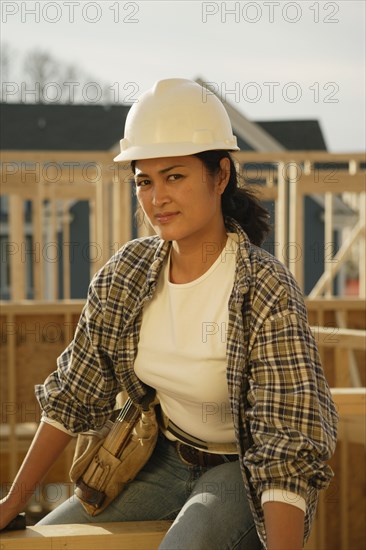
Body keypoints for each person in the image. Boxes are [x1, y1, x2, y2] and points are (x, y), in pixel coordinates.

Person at [0, 78, 338, 549]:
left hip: (239, 471)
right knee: (44, 542)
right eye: (144, 180)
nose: (157, 198)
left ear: (220, 176)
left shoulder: (264, 288)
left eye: (174, 176)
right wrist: (13, 500)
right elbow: (73, 393)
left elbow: (286, 446)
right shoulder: (128, 273)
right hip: (156, 458)